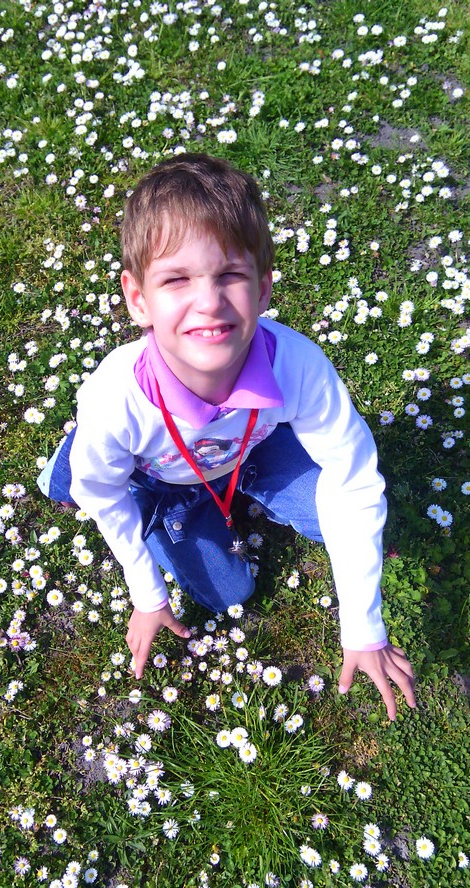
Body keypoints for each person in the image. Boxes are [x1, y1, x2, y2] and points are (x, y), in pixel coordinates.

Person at [38, 153, 416, 721]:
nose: (209, 301)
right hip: (158, 475)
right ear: (138, 299)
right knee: (227, 591)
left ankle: (202, 472)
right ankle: (77, 460)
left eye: (230, 275)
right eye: (176, 279)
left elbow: (355, 480)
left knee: (336, 518)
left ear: (263, 289)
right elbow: (103, 496)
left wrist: (363, 626)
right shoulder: (116, 397)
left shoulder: (298, 364)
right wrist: (147, 592)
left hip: (247, 447)